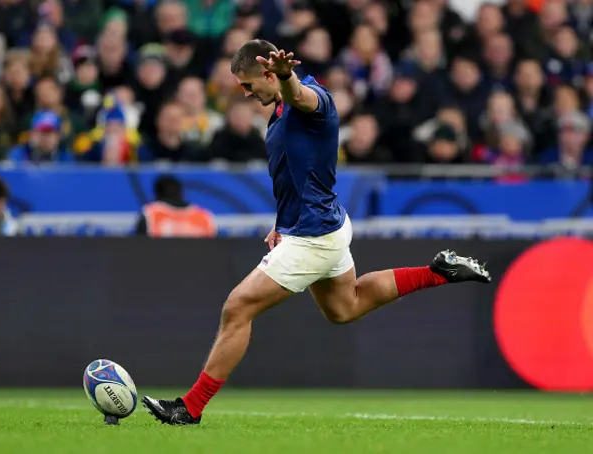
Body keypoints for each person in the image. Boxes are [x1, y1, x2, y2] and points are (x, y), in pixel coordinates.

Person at [142, 40, 492, 426]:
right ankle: (438, 271)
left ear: (270, 74)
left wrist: (288, 77)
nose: (244, 93)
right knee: (346, 307)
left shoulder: (312, 99)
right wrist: (281, 220)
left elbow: (302, 97)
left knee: (237, 307)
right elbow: (296, 172)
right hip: (323, 225)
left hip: (314, 236)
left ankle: (189, 408)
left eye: (248, 84)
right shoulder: (277, 110)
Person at [134, 175, 215, 238]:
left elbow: (138, 248)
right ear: (182, 193)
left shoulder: (150, 214)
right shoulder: (204, 216)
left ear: (157, 195)